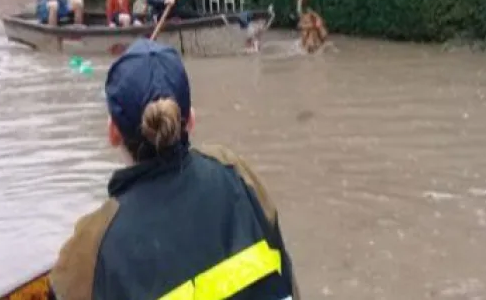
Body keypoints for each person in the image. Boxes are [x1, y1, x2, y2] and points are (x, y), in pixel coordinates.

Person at [48, 39, 300, 300]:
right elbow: (287, 277)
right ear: (190, 119)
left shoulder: (90, 248)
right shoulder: (235, 172)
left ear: (113, 133)